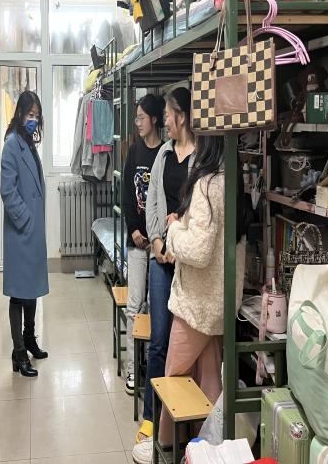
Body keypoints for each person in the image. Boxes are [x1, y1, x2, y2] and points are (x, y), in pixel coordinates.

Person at [133, 135, 247, 464]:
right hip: (220, 301)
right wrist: (183, 223)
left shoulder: (207, 184)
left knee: (174, 376)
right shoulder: (231, 179)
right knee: (209, 379)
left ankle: (166, 445)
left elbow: (197, 250)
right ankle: (209, 447)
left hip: (197, 301)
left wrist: (173, 230)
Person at [136, 87, 195, 448]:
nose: (166, 122)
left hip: (187, 262)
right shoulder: (163, 154)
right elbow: (153, 200)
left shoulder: (201, 157)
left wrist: (178, 239)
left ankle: (179, 424)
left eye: (170, 115)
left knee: (183, 345)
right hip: (162, 258)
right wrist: (157, 241)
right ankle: (150, 417)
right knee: (158, 341)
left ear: (181, 116)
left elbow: (201, 207)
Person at [0, 90, 49, 378]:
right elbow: (8, 192)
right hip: (21, 232)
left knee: (30, 288)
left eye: (36, 116)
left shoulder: (27, 142)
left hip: (31, 231)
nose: (33, 120)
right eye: (30, 115)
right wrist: (27, 220)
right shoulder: (11, 145)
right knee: (19, 294)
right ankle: (18, 353)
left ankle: (29, 339)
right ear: (19, 114)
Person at [122, 94, 164, 396]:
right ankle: (131, 368)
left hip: (158, 242)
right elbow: (127, 194)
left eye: (141, 117)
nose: (137, 122)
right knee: (134, 304)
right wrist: (134, 230)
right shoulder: (134, 151)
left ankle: (150, 366)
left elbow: (166, 198)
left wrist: (157, 235)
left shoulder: (165, 153)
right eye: (136, 117)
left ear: (154, 119)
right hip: (137, 242)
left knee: (155, 306)